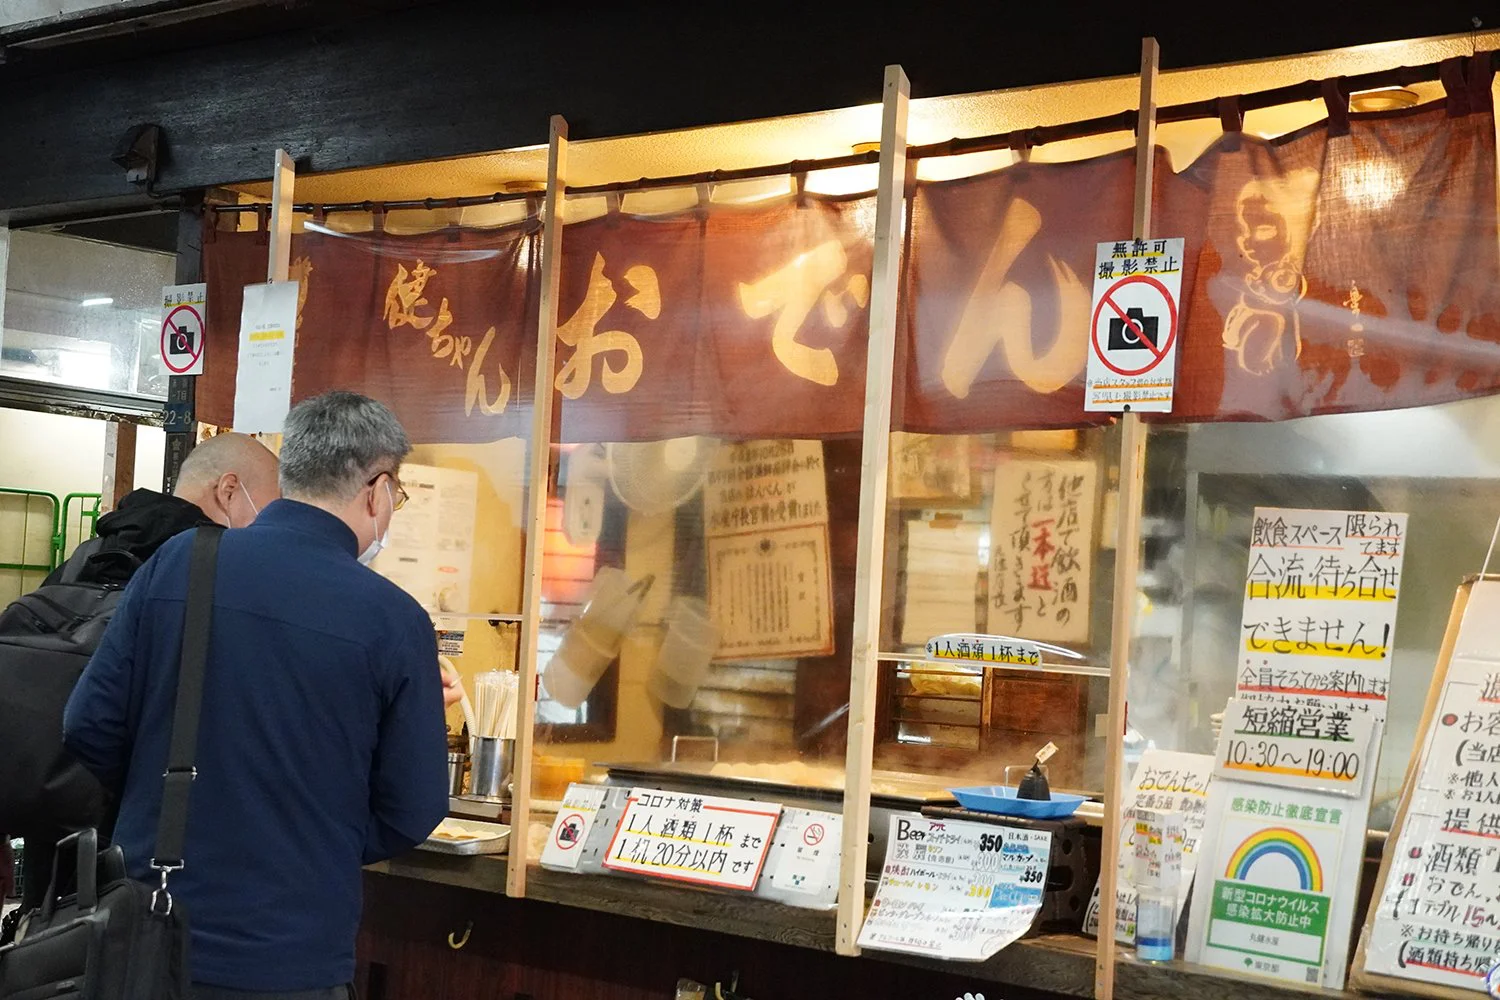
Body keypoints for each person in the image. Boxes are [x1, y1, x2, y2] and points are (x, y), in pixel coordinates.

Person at [64, 391, 453, 1000]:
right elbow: (415, 805)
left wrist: (161, 798)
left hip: (151, 928)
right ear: (377, 490)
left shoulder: (180, 563)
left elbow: (88, 723)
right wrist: (320, 839)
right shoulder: (394, 619)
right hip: (293, 951)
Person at [0, 431, 279, 945]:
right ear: (229, 490)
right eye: (272, 504)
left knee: (51, 967)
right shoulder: (206, 573)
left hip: (51, 825)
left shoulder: (91, 550)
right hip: (141, 840)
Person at [46, 431, 280, 586]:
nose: (271, 525)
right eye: (267, 510)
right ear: (228, 491)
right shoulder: (214, 576)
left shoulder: (88, 554)